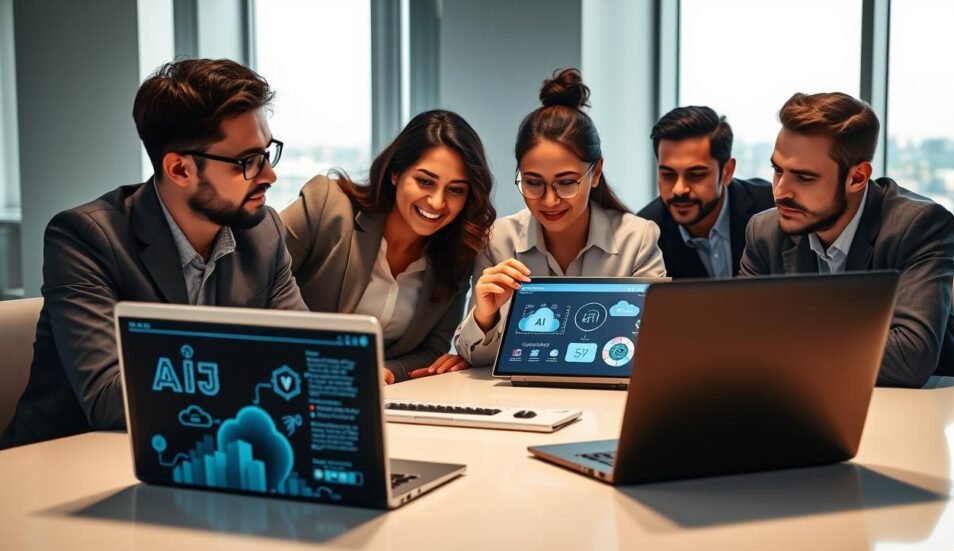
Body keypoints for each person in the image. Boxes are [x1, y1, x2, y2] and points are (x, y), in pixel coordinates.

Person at [1, 59, 306, 448]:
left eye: (268, 152)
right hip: (67, 464)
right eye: (247, 161)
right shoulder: (86, 238)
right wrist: (259, 369)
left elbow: (304, 358)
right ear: (179, 169)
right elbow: (111, 400)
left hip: (203, 452)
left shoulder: (262, 232)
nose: (269, 175)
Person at [740, 91, 954, 387]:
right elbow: (744, 340)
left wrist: (783, 335)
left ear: (857, 177)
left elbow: (909, 358)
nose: (780, 191)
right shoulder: (764, 232)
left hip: (927, 409)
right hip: (809, 400)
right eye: (778, 170)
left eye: (804, 178)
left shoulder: (918, 226)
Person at [453, 68, 666, 367]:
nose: (549, 200)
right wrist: (484, 315)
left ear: (596, 173)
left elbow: (652, 347)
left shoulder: (637, 239)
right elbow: (476, 358)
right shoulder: (499, 240)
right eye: (533, 182)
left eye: (566, 182)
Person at [281, 110, 496, 383]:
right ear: (395, 172)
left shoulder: (457, 254)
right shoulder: (325, 206)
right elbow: (254, 279)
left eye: (455, 190)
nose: (437, 202)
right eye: (425, 181)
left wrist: (388, 372)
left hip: (381, 400)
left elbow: (433, 350)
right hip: (289, 380)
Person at [638, 106, 773, 278]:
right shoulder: (646, 236)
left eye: (695, 175)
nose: (679, 189)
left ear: (727, 172)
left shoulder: (770, 209)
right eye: (668, 174)